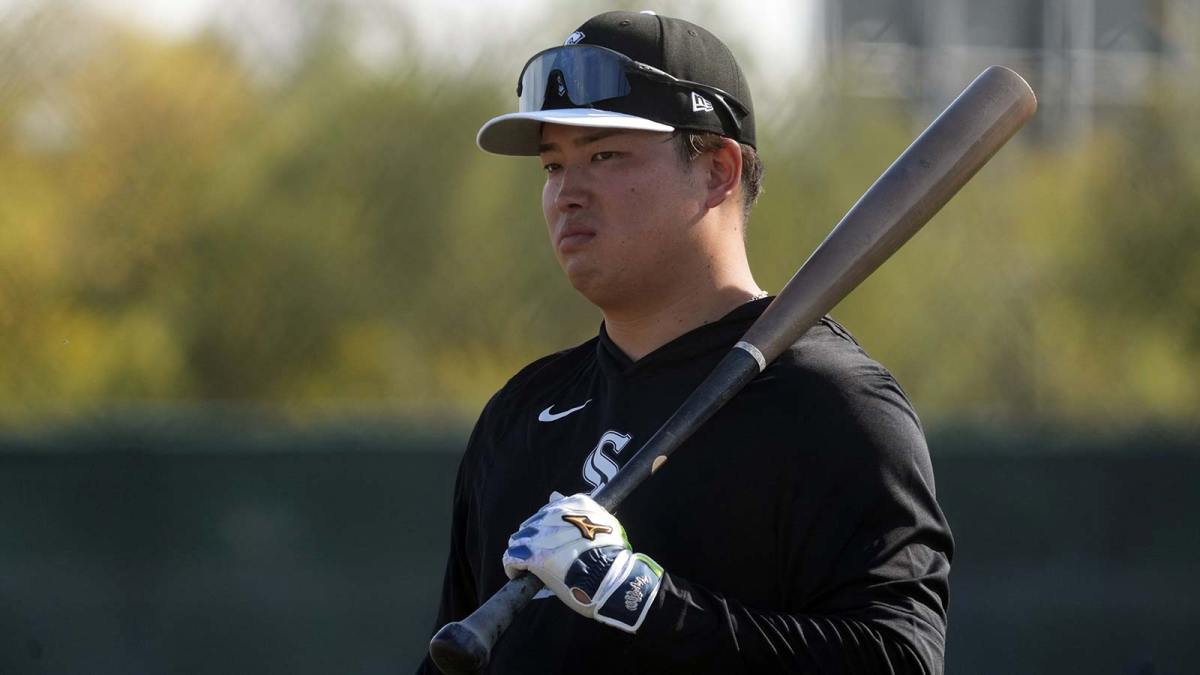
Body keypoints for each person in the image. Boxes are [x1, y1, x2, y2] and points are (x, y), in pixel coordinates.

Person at [417, 10, 953, 674]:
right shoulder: (523, 413)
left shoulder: (830, 402)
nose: (566, 193)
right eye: (553, 164)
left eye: (605, 155)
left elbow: (897, 658)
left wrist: (643, 600)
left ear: (718, 171)